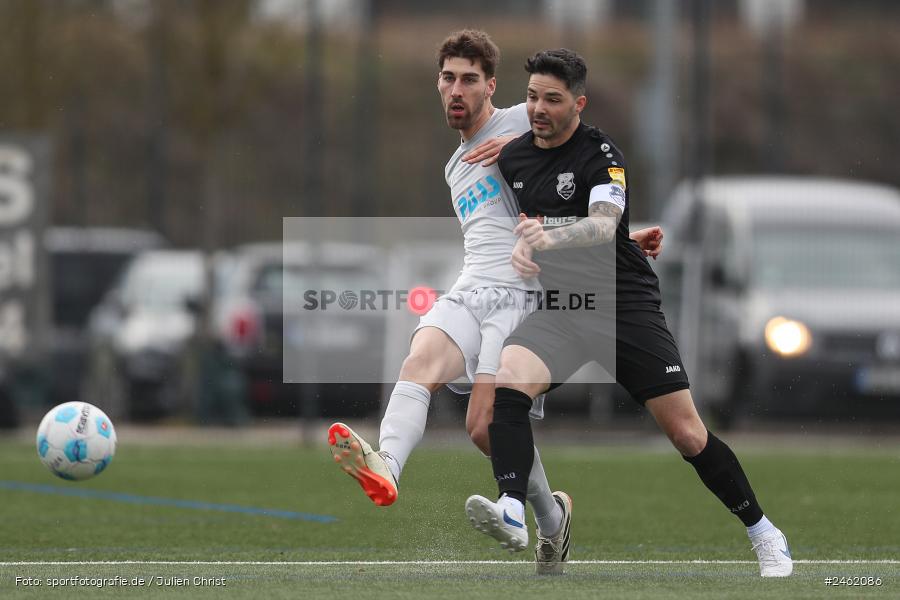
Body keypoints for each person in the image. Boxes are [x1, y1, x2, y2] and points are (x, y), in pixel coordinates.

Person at [326, 31, 663, 575]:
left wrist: (626, 236)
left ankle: (551, 520)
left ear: (491, 87)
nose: (456, 90)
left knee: (483, 427)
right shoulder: (454, 166)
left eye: (468, 80)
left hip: (525, 297)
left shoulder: (524, 120)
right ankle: (387, 466)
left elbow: (582, 176)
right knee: (420, 362)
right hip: (471, 287)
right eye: (447, 78)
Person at [464, 49, 793, 578]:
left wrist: (552, 237)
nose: (538, 108)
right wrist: (525, 247)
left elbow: (599, 225)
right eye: (530, 97)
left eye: (552, 99)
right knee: (509, 379)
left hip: (623, 306)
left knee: (688, 434)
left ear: (579, 103)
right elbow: (514, 227)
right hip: (566, 309)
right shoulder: (514, 157)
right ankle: (511, 508)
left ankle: (763, 531)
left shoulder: (603, 156)